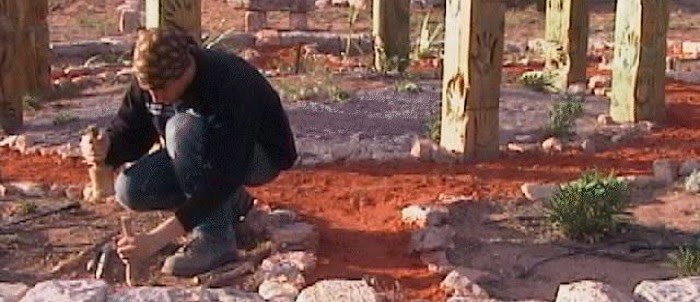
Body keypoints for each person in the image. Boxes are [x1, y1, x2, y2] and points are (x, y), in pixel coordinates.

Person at [80, 26, 297, 277]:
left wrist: (155, 240)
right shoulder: (154, 78)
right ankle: (232, 202)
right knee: (130, 189)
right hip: (213, 158)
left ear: (185, 71)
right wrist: (108, 146)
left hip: (258, 156)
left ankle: (215, 238)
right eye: (148, 89)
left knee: (181, 128)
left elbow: (222, 175)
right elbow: (132, 130)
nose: (155, 97)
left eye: (160, 89)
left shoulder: (228, 83)